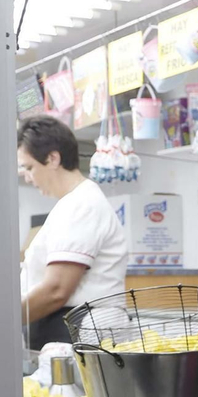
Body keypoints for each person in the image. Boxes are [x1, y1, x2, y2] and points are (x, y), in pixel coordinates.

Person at [16, 115, 128, 348]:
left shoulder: (82, 204)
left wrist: (1, 322)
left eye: (29, 167)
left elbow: (57, 290)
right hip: (62, 330)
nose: (27, 176)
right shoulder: (71, 204)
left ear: (53, 158)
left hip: (79, 332)